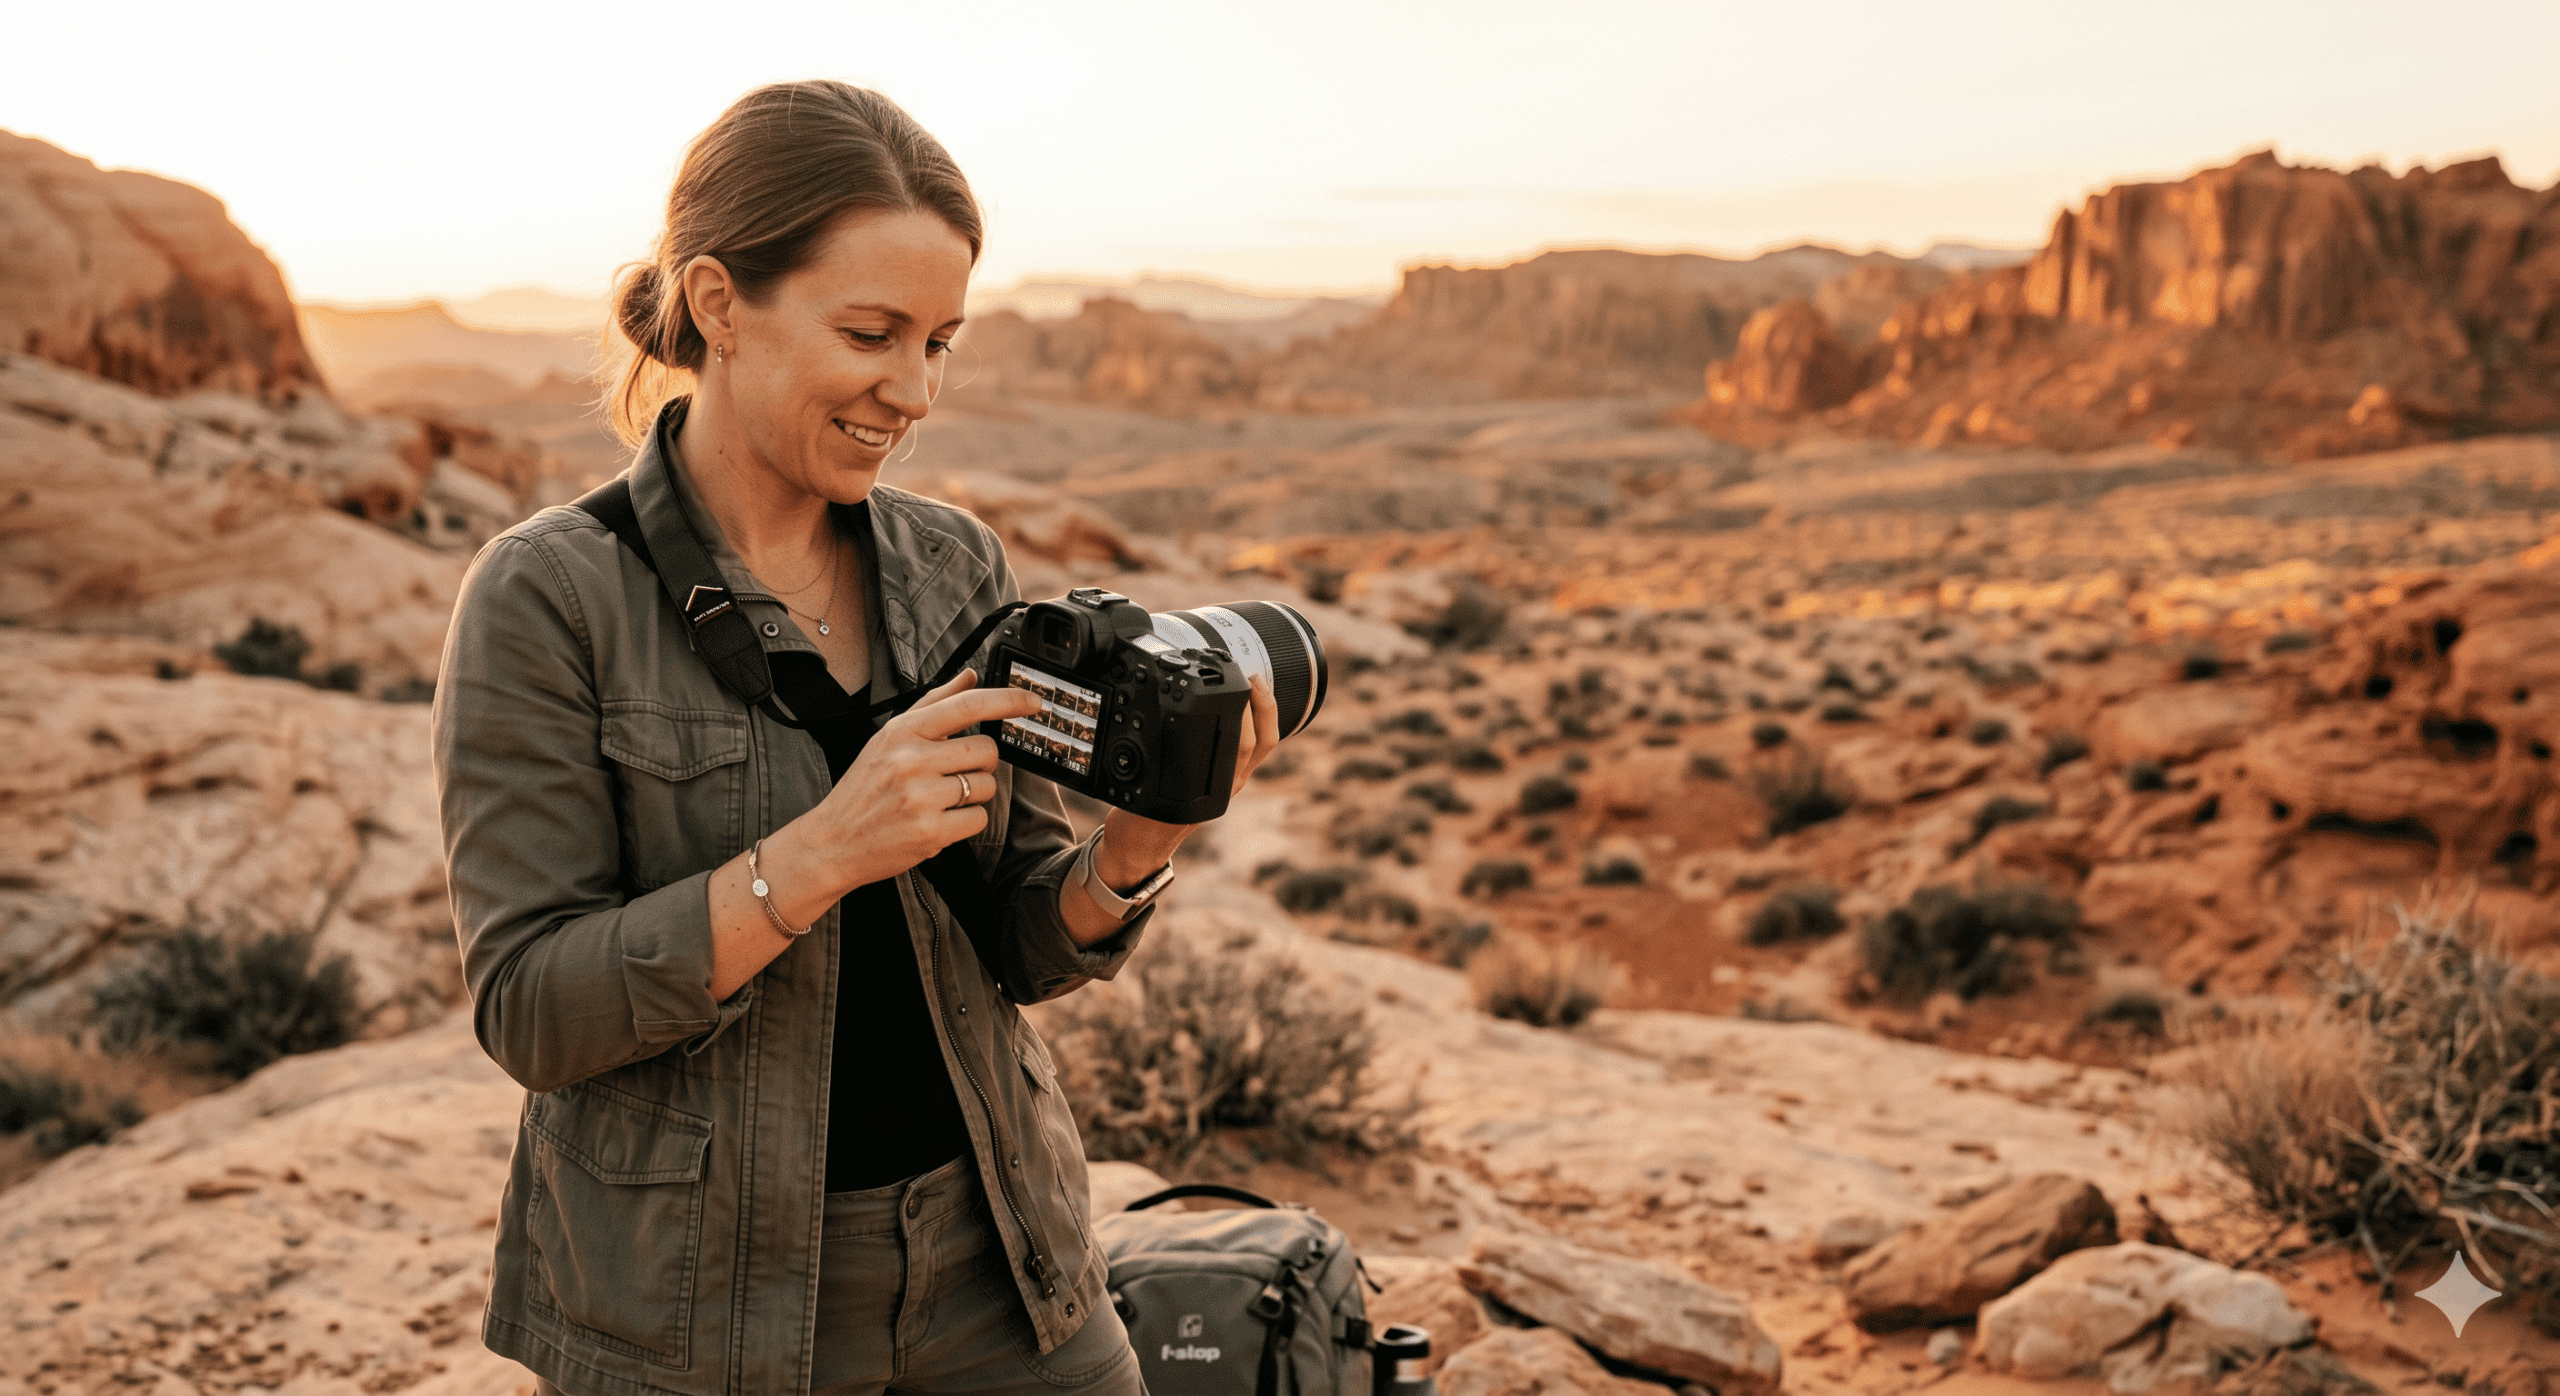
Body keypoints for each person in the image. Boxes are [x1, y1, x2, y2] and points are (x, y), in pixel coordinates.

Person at [430, 80, 1279, 1396]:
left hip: (1004, 1260)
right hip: (696, 1315)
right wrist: (815, 856)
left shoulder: (955, 564)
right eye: (873, 332)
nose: (916, 390)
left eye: (941, 342)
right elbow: (533, 1011)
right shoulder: (551, 596)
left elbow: (1015, 939)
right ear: (718, 304)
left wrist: (1134, 852)